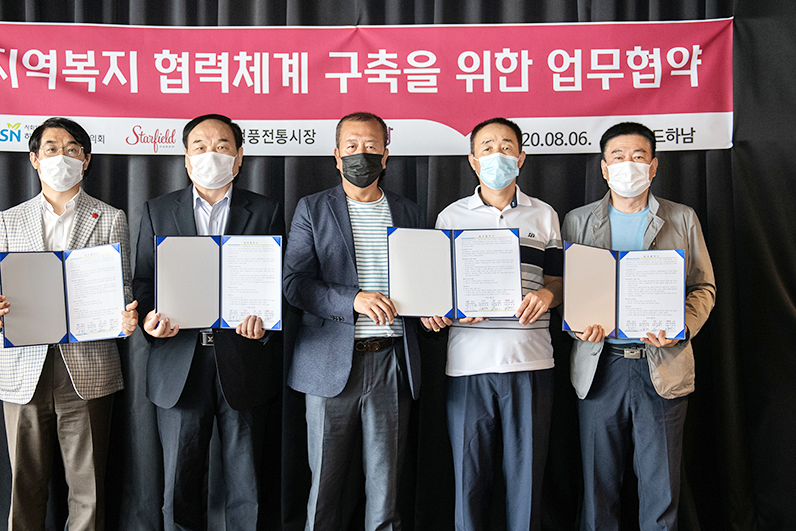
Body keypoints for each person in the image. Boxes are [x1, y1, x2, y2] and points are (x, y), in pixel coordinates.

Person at [0, 117, 139, 531]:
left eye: (71, 149)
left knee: (89, 488)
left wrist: (125, 315)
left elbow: (121, 285)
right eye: (51, 148)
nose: (61, 157)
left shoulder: (110, 217)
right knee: (25, 484)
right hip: (24, 366)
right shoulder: (10, 219)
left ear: (86, 159)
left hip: (87, 367)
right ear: (34, 159)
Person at [133, 114, 284, 531]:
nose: (210, 154)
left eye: (221, 146)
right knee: (179, 485)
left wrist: (266, 323)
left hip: (243, 359)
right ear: (186, 158)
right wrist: (149, 319)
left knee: (246, 485)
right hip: (179, 362)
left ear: (239, 157)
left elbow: (278, 283)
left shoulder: (266, 210)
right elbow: (143, 280)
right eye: (199, 146)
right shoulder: (158, 210)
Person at [562, 122, 715, 531]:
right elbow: (567, 290)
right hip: (600, 366)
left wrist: (681, 326)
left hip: (662, 364)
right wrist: (578, 327)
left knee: (661, 486)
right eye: (618, 157)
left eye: (638, 156)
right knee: (598, 487)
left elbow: (703, 287)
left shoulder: (682, 218)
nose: (627, 165)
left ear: (654, 165)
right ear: (604, 168)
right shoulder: (577, 221)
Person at [421, 117, 563, 531]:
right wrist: (441, 311)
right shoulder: (451, 216)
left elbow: (558, 280)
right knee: (469, 480)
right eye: (487, 147)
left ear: (521, 157)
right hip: (468, 364)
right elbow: (436, 290)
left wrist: (547, 295)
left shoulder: (544, 215)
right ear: (472, 160)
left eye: (506, 147)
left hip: (531, 361)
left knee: (527, 480)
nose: (496, 155)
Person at [283, 112, 422, 531]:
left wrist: (433, 307)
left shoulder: (408, 211)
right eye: (352, 146)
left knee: (386, 487)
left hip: (391, 362)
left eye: (372, 146)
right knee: (324, 487)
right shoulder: (312, 208)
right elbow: (294, 283)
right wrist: (353, 299)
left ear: (386, 156)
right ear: (336, 155)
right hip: (329, 364)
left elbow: (424, 279)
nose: (362, 154)